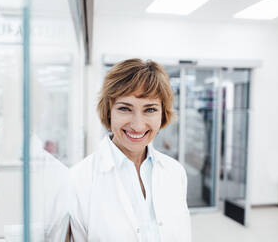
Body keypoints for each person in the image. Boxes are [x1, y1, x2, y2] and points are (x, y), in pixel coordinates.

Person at [70, 59, 191, 242]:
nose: (137, 125)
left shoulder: (175, 172)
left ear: (162, 113)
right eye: (125, 108)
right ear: (109, 111)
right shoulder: (78, 180)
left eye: (150, 109)